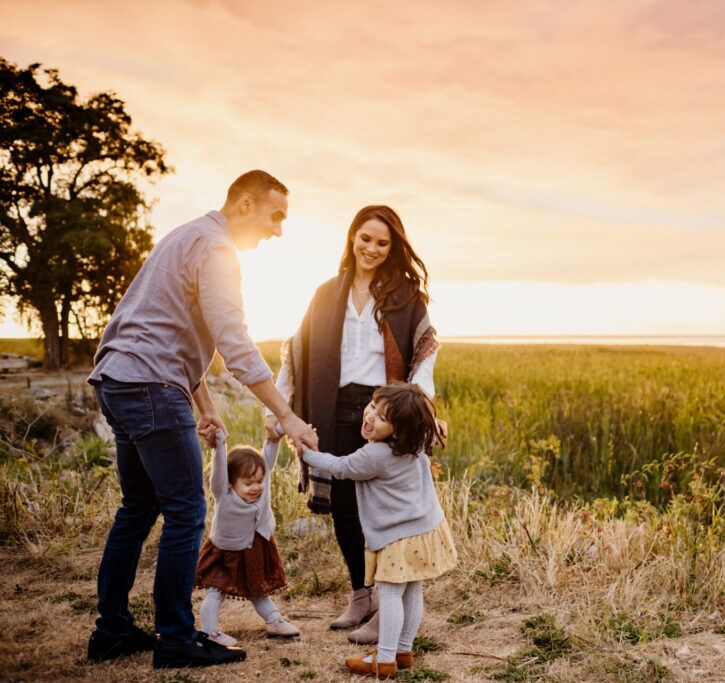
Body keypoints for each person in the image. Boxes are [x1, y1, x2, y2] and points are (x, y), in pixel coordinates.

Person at [86, 170, 319, 669]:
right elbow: (234, 345)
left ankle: (112, 631)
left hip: (118, 380)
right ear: (244, 203)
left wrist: (207, 410)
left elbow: (170, 332)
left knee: (138, 507)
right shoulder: (216, 250)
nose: (278, 229)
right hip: (149, 385)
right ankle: (176, 637)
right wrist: (289, 417)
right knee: (188, 512)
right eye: (274, 215)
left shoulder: (185, 235)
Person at [265, 205, 439, 645]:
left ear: (393, 247)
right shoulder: (326, 293)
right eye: (366, 238)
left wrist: (417, 402)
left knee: (382, 506)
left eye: (383, 242)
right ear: (352, 238)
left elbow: (425, 348)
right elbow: (296, 351)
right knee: (345, 505)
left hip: (386, 408)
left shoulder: (405, 297)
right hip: (335, 406)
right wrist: (279, 408)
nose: (372, 249)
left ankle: (387, 601)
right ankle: (361, 595)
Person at [301, 383, 457, 678]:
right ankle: (403, 651)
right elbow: (431, 428)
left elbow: (340, 467)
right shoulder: (418, 440)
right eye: (372, 406)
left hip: (397, 537)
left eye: (382, 417)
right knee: (413, 590)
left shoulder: (375, 456)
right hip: (425, 528)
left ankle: (384, 659)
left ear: (398, 430)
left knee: (389, 594)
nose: (370, 416)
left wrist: (307, 454)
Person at [195, 432, 301, 645]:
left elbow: (267, 460)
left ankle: (274, 620)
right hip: (225, 551)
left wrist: (273, 438)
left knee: (257, 589)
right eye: (248, 483)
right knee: (216, 591)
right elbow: (218, 473)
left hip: (255, 548)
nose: (256, 487)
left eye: (259, 481)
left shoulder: (262, 490)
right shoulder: (223, 494)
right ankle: (210, 632)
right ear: (231, 482)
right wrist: (220, 445)